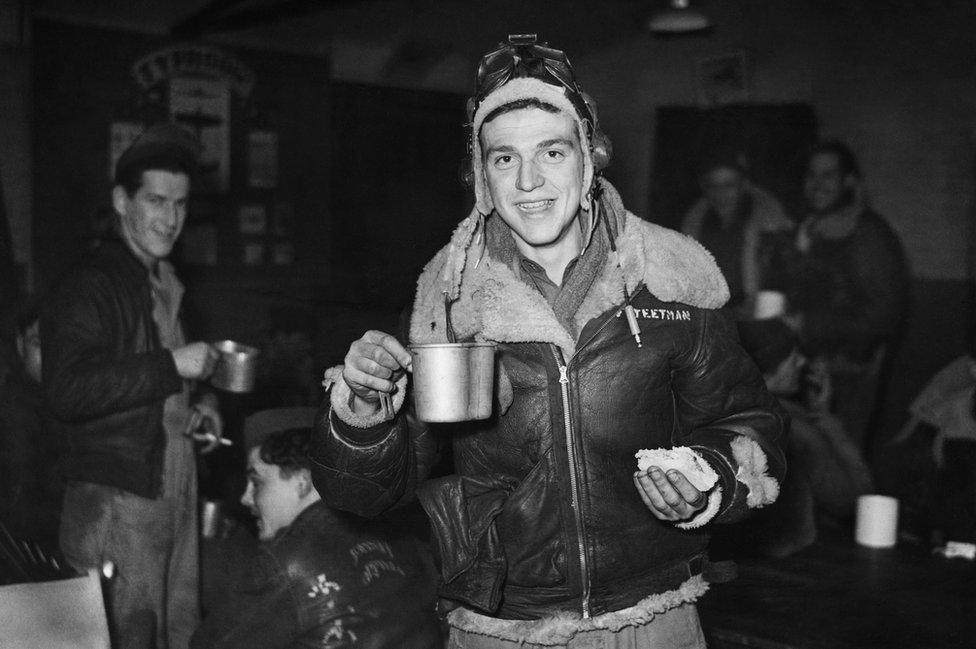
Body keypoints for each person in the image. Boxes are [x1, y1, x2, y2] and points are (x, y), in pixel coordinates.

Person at [311, 35, 786, 649]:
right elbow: (366, 494)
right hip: (504, 624)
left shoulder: (672, 282)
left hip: (653, 615)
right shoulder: (447, 301)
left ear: (590, 160)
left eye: (552, 152)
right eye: (503, 158)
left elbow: (749, 420)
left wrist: (709, 477)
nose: (529, 181)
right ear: (481, 178)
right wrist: (366, 412)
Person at [41, 123, 225, 649]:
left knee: (177, 630)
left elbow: (167, 384)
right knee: (123, 639)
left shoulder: (164, 281)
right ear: (122, 201)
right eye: (156, 200)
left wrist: (202, 404)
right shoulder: (90, 283)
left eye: (182, 204)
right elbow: (66, 390)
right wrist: (173, 365)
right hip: (117, 502)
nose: (170, 219)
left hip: (173, 487)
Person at [191, 426, 442, 649]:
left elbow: (208, 643)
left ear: (302, 482)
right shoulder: (402, 535)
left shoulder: (287, 561)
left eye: (256, 482)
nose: (245, 498)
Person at [774, 140, 910, 448]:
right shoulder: (815, 227)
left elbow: (883, 317)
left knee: (842, 463)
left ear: (848, 181)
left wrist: (807, 324)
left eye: (828, 175)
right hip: (817, 364)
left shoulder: (867, 233)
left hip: (853, 370)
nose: (817, 184)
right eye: (811, 175)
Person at [727, 318, 873, 557]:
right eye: (792, 356)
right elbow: (855, 500)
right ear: (769, 368)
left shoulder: (728, 412)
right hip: (791, 562)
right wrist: (827, 419)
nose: (802, 362)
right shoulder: (795, 428)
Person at [681, 150, 793, 315]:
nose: (720, 193)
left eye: (728, 185)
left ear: (744, 185)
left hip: (755, 318)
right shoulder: (695, 223)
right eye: (713, 185)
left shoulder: (769, 222)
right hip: (709, 316)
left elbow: (782, 279)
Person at [0, 300, 62, 549]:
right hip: (27, 549)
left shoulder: (65, 402)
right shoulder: (14, 405)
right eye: (37, 343)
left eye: (56, 344)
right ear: (20, 344)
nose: (48, 355)